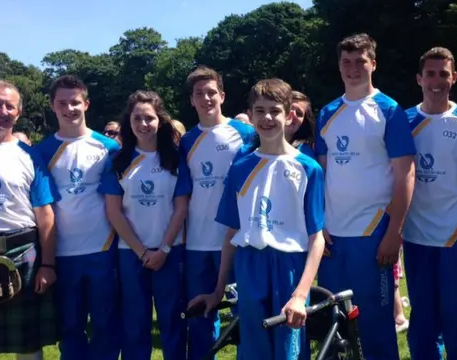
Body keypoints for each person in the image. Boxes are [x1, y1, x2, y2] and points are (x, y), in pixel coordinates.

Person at [189, 78, 325, 360]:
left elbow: (316, 238)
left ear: (288, 116)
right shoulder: (240, 167)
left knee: (289, 348)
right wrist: (217, 290)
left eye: (274, 110)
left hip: (290, 266)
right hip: (250, 264)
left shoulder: (308, 167)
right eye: (260, 111)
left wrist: (300, 295)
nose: (267, 118)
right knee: (253, 349)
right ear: (250, 116)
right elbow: (231, 232)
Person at [315, 33, 416, 360]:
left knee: (375, 323)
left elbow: (406, 175)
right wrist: (319, 224)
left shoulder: (389, 109)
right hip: (332, 236)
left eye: (360, 61)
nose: (353, 68)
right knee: (332, 322)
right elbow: (321, 174)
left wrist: (394, 231)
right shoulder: (328, 112)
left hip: (373, 232)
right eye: (346, 62)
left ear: (374, 63)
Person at [401, 47, 457, 360]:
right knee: (422, 313)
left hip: (454, 232)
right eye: (431, 74)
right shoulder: (404, 119)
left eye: (444, 74)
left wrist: (452, 202)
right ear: (419, 78)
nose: (437, 81)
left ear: (454, 78)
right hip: (415, 231)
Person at [99, 90, 190, 360]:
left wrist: (163, 249)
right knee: (135, 325)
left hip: (170, 252)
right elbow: (114, 212)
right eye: (137, 118)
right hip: (131, 254)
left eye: (149, 118)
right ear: (129, 122)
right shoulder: (118, 161)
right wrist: (142, 251)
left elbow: (181, 207)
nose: (143, 124)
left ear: (160, 121)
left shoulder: (174, 158)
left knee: (172, 321)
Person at [35, 75, 121, 360]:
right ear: (52, 106)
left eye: (75, 102)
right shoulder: (41, 152)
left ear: (86, 103)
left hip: (103, 250)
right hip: (62, 253)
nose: (69, 108)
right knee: (71, 329)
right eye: (62, 103)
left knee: (105, 327)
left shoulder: (109, 148)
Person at [179, 65, 256, 359]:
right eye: (199, 94)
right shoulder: (185, 141)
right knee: (200, 317)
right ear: (192, 100)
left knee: (244, 314)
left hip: (238, 239)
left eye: (211, 92)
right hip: (198, 243)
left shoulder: (247, 133)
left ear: (222, 95)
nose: (206, 98)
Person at [0, 80, 59, 360]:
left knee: (28, 345)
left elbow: (45, 215)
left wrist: (48, 264)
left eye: (9, 106)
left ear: (19, 112)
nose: (2, 111)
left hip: (23, 253)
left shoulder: (30, 156)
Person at [287, 91, 316, 159]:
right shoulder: (257, 145)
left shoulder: (306, 156)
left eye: (299, 113)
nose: (292, 114)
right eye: (288, 110)